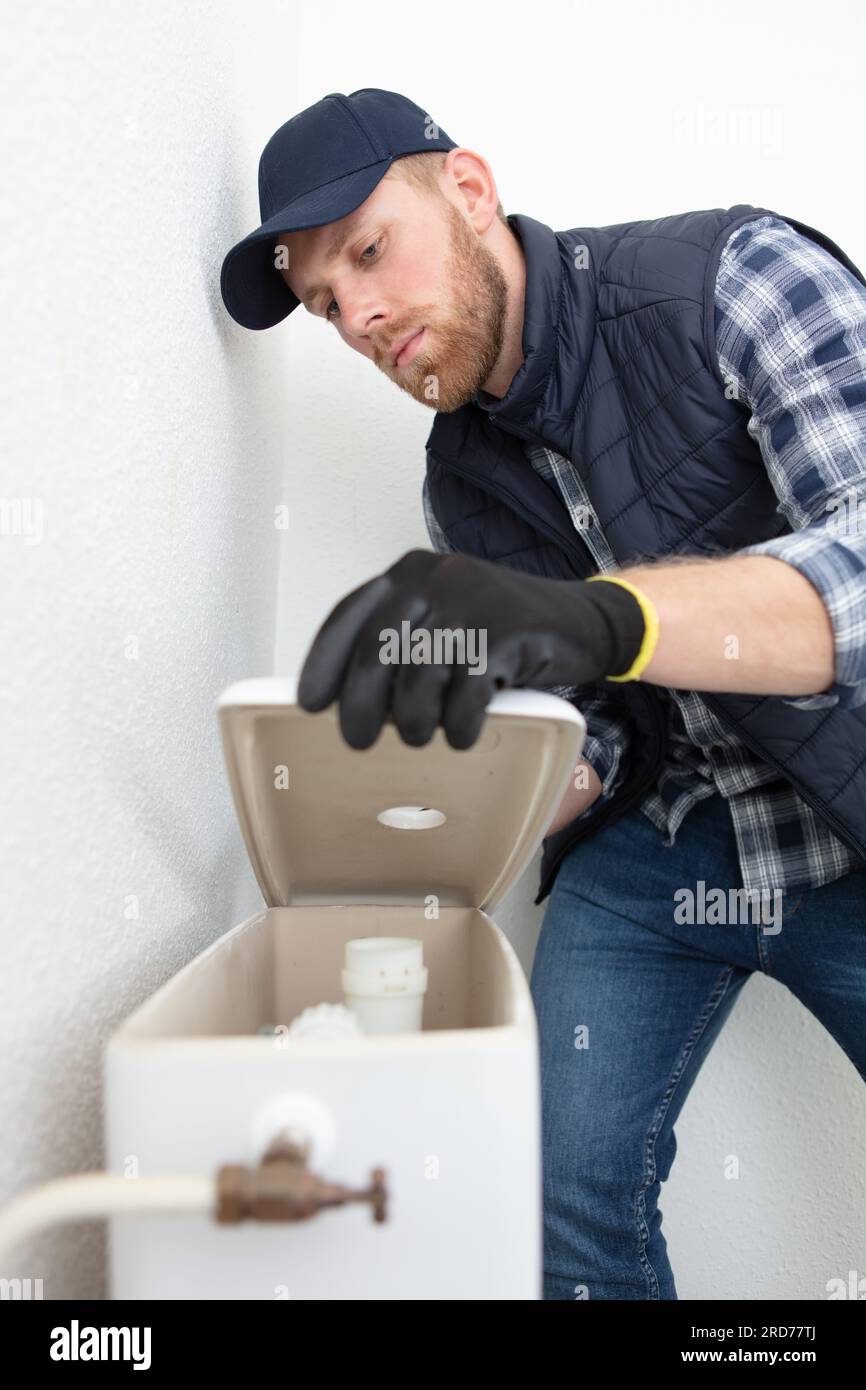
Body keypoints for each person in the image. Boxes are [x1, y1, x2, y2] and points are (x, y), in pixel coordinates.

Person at [221, 88, 866, 1299]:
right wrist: (501, 788)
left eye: (367, 251)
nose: (355, 315)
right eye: (322, 303)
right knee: (549, 1197)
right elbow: (608, 731)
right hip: (668, 848)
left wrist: (601, 615)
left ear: (468, 189)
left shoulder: (731, 279)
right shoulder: (458, 485)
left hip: (845, 820)